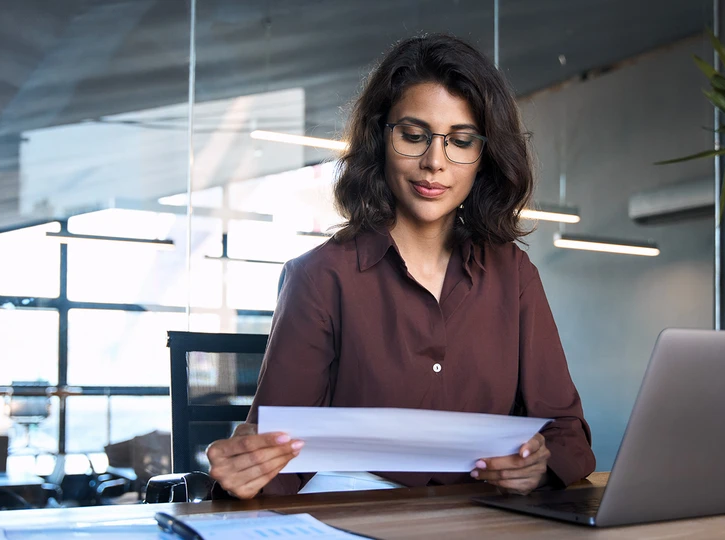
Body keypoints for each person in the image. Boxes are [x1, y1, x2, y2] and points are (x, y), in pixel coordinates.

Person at [206, 33, 595, 499]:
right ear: (379, 139)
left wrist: (539, 467)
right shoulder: (319, 277)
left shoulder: (514, 276)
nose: (435, 162)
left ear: (483, 157)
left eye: (461, 140)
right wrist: (244, 471)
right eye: (413, 136)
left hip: (484, 519)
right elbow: (275, 459)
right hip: (354, 512)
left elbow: (568, 434)